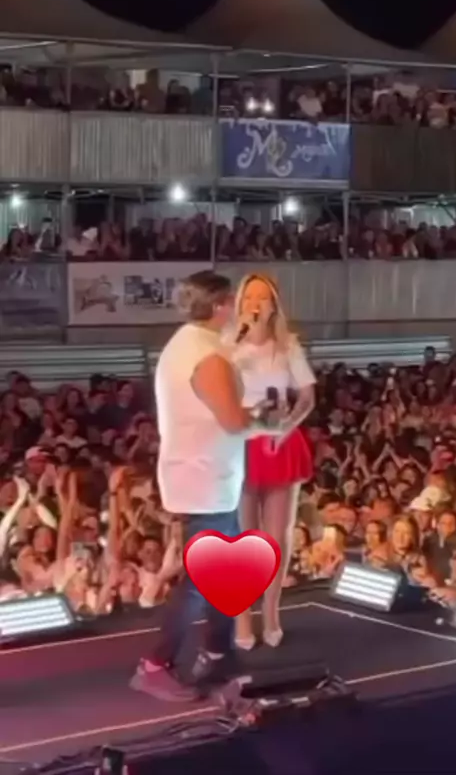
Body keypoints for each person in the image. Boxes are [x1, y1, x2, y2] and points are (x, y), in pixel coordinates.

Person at [130, 270, 282, 701]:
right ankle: (154, 665)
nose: (237, 308)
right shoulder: (205, 354)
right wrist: (267, 420)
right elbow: (233, 420)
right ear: (219, 305)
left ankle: (218, 653)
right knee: (202, 579)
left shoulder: (189, 343)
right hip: (204, 480)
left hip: (204, 476)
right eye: (232, 301)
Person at [230, 273, 315, 649]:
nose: (255, 304)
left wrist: (286, 427)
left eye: (263, 298)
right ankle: (241, 618)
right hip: (242, 441)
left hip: (280, 441)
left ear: (274, 305)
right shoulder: (227, 346)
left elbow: (307, 397)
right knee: (243, 538)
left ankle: (271, 613)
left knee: (276, 537)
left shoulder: (288, 346)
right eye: (249, 297)